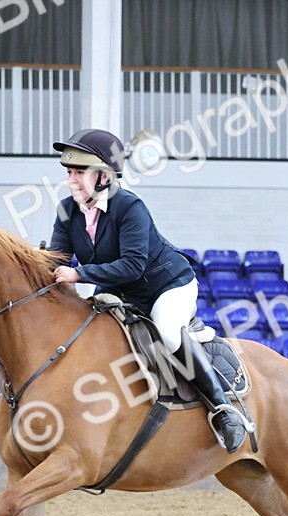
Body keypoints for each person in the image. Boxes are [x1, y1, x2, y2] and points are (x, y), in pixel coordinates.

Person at [47, 128, 246, 453]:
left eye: (79, 172)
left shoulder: (129, 207)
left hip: (167, 286)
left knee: (167, 333)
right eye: (70, 172)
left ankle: (224, 411)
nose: (71, 180)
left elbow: (133, 265)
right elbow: (54, 260)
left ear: (104, 177)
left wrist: (78, 273)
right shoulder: (67, 211)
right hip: (120, 292)